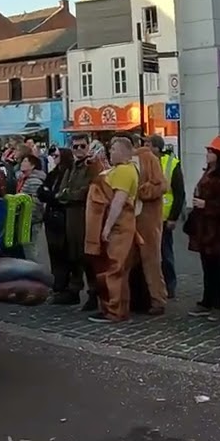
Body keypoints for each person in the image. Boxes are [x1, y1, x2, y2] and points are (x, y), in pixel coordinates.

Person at [84, 136, 141, 323]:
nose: (111, 152)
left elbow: (118, 201)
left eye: (114, 149)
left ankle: (113, 310)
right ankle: (117, 308)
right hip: (120, 226)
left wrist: (107, 227)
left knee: (114, 268)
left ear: (125, 152)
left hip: (119, 227)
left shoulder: (125, 171)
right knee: (117, 269)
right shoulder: (119, 170)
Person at [187, 137, 220, 321]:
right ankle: (207, 301)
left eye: (211, 152)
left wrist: (206, 204)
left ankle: (218, 304)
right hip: (204, 228)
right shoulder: (209, 173)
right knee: (207, 266)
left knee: (216, 267)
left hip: (218, 231)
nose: (207, 154)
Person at [55, 136, 97, 307]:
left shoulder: (92, 167)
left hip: (86, 216)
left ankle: (94, 293)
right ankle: (74, 290)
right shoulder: (71, 167)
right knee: (73, 255)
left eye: (82, 146)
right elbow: (61, 192)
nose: (79, 149)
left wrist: (68, 195)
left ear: (88, 147)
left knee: (88, 257)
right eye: (75, 147)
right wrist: (67, 195)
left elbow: (87, 191)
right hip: (71, 216)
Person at [131, 142, 169, 315]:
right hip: (129, 218)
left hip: (147, 218)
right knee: (131, 261)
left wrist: (141, 191)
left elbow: (161, 185)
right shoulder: (123, 162)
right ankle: (135, 299)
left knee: (151, 259)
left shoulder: (147, 159)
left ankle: (157, 299)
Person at [145, 136, 184, 298]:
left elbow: (179, 192)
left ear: (156, 148)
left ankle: (170, 285)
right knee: (151, 255)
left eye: (147, 144)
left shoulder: (171, 164)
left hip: (164, 217)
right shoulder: (144, 162)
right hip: (148, 217)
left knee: (165, 254)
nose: (144, 147)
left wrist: (174, 217)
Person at [37, 147, 73, 297]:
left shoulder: (68, 173)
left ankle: (64, 284)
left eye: (56, 155)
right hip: (50, 216)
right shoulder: (53, 173)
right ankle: (57, 283)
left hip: (62, 217)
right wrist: (52, 195)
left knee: (63, 252)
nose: (53, 157)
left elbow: (62, 196)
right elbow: (42, 192)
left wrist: (52, 195)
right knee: (53, 252)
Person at [15, 154, 47, 263]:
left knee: (31, 248)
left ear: (32, 165)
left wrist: (30, 217)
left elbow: (36, 203)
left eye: (25, 161)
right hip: (24, 218)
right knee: (26, 247)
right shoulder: (23, 179)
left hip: (31, 220)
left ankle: (36, 271)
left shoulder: (34, 181)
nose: (22, 164)